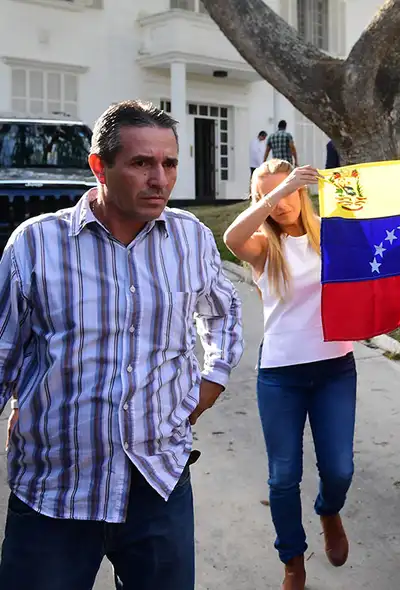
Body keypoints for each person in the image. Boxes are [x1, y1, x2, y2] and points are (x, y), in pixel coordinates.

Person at [0, 99, 245, 589]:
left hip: (158, 483)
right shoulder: (35, 245)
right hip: (56, 491)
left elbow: (224, 314)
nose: (160, 179)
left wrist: (210, 383)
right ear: (100, 166)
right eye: (141, 163)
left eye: (169, 163)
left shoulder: (192, 239)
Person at [223, 159, 357, 590]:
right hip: (281, 375)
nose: (281, 204)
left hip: (335, 366)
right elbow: (231, 237)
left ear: (303, 191)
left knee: (339, 469)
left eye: (287, 192)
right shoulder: (264, 247)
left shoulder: (331, 234)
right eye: (268, 196)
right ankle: (293, 560)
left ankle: (329, 510)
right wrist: (276, 194)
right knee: (283, 476)